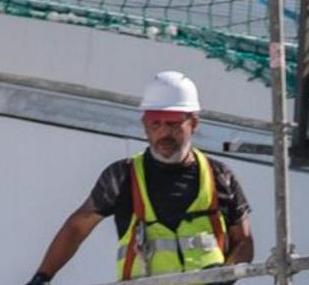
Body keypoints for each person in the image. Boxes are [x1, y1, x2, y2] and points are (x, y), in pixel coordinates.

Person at [27, 71, 254, 284]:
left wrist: (225, 278)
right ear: (145, 125)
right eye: (156, 123)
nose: (164, 132)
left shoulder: (219, 176)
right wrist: (42, 277)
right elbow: (77, 226)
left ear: (193, 123)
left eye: (174, 123)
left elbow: (243, 240)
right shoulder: (122, 177)